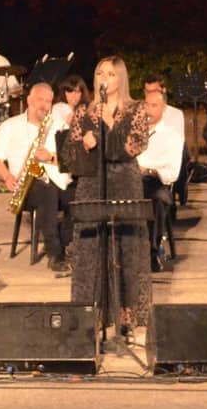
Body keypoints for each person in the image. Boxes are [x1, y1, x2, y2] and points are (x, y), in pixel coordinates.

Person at [61, 56, 153, 347]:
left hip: (124, 182)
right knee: (91, 250)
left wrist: (110, 121)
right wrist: (84, 145)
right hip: (92, 184)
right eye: (100, 73)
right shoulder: (83, 111)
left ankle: (126, 319)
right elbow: (68, 155)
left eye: (111, 74)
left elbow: (134, 146)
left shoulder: (136, 109)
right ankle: (92, 317)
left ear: (120, 78)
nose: (104, 78)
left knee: (127, 249)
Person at [0, 83, 71, 274]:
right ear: (29, 100)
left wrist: (51, 157)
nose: (44, 105)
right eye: (40, 100)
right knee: (46, 192)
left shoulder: (59, 126)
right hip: (28, 187)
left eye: (48, 101)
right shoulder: (9, 126)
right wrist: (7, 176)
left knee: (83, 194)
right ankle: (55, 253)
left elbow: (70, 158)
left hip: (59, 181)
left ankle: (65, 244)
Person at [136, 77, 186, 270]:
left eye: (154, 106)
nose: (149, 110)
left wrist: (149, 170)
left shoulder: (172, 135)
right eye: (146, 105)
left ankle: (151, 253)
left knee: (155, 199)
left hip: (155, 181)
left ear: (163, 108)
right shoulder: (133, 132)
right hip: (130, 179)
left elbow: (172, 173)